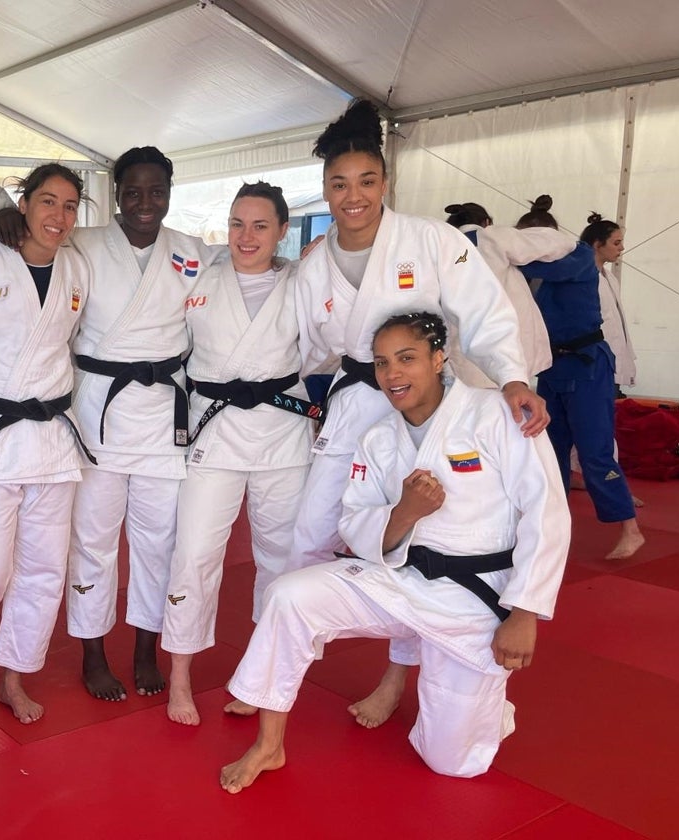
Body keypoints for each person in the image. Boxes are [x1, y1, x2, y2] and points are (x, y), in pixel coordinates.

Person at [219, 312, 569, 793]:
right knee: (289, 595)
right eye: (383, 363)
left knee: (453, 763)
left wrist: (524, 612)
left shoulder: (498, 416)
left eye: (407, 359)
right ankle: (269, 745)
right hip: (400, 581)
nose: (393, 374)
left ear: (439, 358)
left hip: (473, 599)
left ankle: (485, 706)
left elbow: (548, 513)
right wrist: (404, 513)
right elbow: (355, 524)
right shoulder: (378, 437)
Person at [281, 100, 548, 730]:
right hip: (352, 406)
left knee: (420, 539)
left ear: (385, 183)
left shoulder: (432, 240)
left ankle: (394, 677)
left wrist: (512, 378)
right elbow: (302, 347)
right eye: (339, 185)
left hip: (425, 411)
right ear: (324, 189)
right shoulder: (313, 264)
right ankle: (280, 671)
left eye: (366, 182)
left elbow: (485, 313)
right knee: (309, 535)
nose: (353, 197)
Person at [0, 146, 220, 702]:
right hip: (98, 411)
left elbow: (245, 266)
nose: (145, 203)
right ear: (115, 193)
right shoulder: (81, 242)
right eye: (132, 191)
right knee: (92, 539)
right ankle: (92, 649)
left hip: (165, 413)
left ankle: (145, 647)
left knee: (158, 540)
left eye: (156, 191)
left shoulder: (192, 252)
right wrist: (2, 213)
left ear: (169, 192)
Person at [160, 182, 321, 725]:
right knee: (195, 552)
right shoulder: (200, 277)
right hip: (215, 428)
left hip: (282, 433)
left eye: (259, 226)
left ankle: (263, 676)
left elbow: (329, 342)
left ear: (282, 231)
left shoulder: (303, 282)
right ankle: (179, 676)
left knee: (280, 558)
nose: (245, 237)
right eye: (236, 224)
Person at [0, 163, 90, 724]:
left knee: (43, 569)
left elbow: (75, 342)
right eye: (48, 201)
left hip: (54, 439)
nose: (58, 216)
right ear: (24, 204)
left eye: (71, 206)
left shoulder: (77, 269)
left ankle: (14, 674)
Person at [515, 197, 644, 559]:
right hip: (553, 368)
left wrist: (497, 250)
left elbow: (534, 269)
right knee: (550, 453)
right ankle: (553, 527)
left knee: (594, 452)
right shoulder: (532, 270)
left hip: (588, 367)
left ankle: (630, 528)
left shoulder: (576, 257)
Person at [441, 202, 575, 387]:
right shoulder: (491, 237)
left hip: (459, 352)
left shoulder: (442, 247)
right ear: (486, 222)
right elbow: (555, 242)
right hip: (503, 351)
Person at [581, 212, 636, 394]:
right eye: (616, 243)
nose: (622, 248)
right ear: (597, 244)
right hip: (592, 362)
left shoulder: (610, 278)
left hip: (612, 359)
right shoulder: (581, 277)